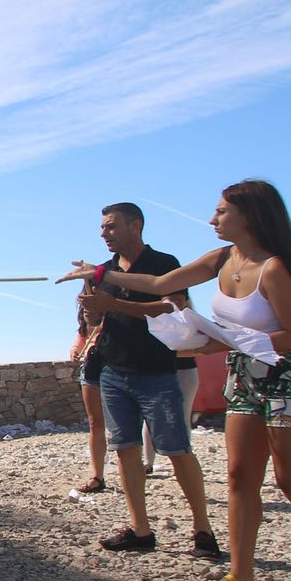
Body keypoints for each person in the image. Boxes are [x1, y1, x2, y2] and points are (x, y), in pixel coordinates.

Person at [59, 179, 291, 581]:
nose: (212, 220)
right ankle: (240, 578)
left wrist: (220, 342)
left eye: (221, 212)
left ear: (250, 216)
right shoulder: (222, 259)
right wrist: (98, 274)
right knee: (238, 479)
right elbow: (160, 282)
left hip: (287, 381)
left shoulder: (275, 268)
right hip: (245, 380)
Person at [75, 202, 217, 558]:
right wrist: (92, 309)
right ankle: (141, 529)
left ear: (135, 225)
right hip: (113, 372)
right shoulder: (103, 270)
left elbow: (172, 308)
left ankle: (203, 530)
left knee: (178, 451)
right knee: (125, 450)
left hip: (156, 372)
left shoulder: (163, 264)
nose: (103, 233)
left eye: (110, 226)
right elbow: (96, 320)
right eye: (102, 227)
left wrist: (114, 305)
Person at [142, 290, 200, 475]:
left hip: (184, 370)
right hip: (157, 370)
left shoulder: (192, 320)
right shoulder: (154, 320)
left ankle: (184, 462)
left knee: (183, 417)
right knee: (150, 418)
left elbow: (198, 348)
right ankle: (147, 462)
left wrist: (170, 351)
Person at [69, 302, 108, 492]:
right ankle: (98, 475)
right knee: (95, 424)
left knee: (123, 425)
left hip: (116, 366)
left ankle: (136, 468)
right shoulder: (86, 311)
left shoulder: (114, 305)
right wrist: (75, 352)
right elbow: (81, 338)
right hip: (92, 366)